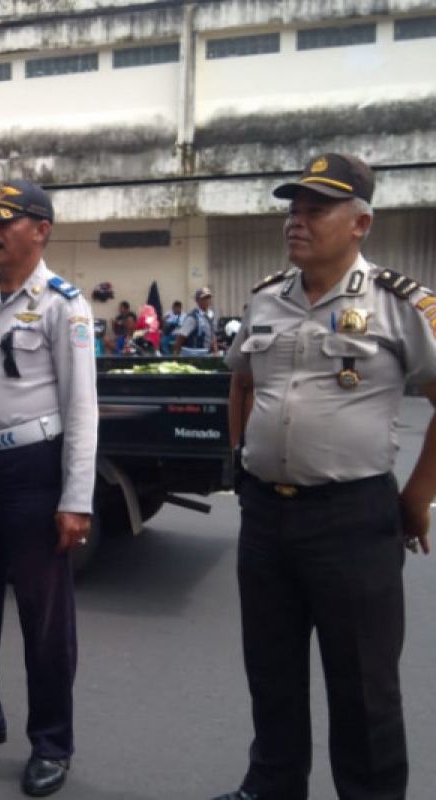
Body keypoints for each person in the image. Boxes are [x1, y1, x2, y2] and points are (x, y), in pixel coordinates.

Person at [215, 153, 436, 800]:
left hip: (353, 519)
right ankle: (272, 787)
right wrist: (242, 461)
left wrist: (418, 494)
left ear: (360, 222)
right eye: (293, 208)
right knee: (272, 673)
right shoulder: (264, 298)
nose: (297, 221)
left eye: (316, 209)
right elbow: (242, 380)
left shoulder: (403, 306)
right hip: (267, 517)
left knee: (364, 688)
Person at [0, 180, 98, 798]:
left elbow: (82, 408)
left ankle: (52, 743)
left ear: (42, 230)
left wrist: (75, 497)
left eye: (6, 223)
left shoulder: (64, 306)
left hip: (34, 469)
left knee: (43, 616)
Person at [173, 286, 219, 355]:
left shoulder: (211, 315)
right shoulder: (193, 317)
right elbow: (181, 336)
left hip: (206, 352)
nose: (207, 300)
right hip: (192, 353)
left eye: (208, 298)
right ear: (197, 300)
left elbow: (213, 336)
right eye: (204, 298)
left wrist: (216, 352)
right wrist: (176, 353)